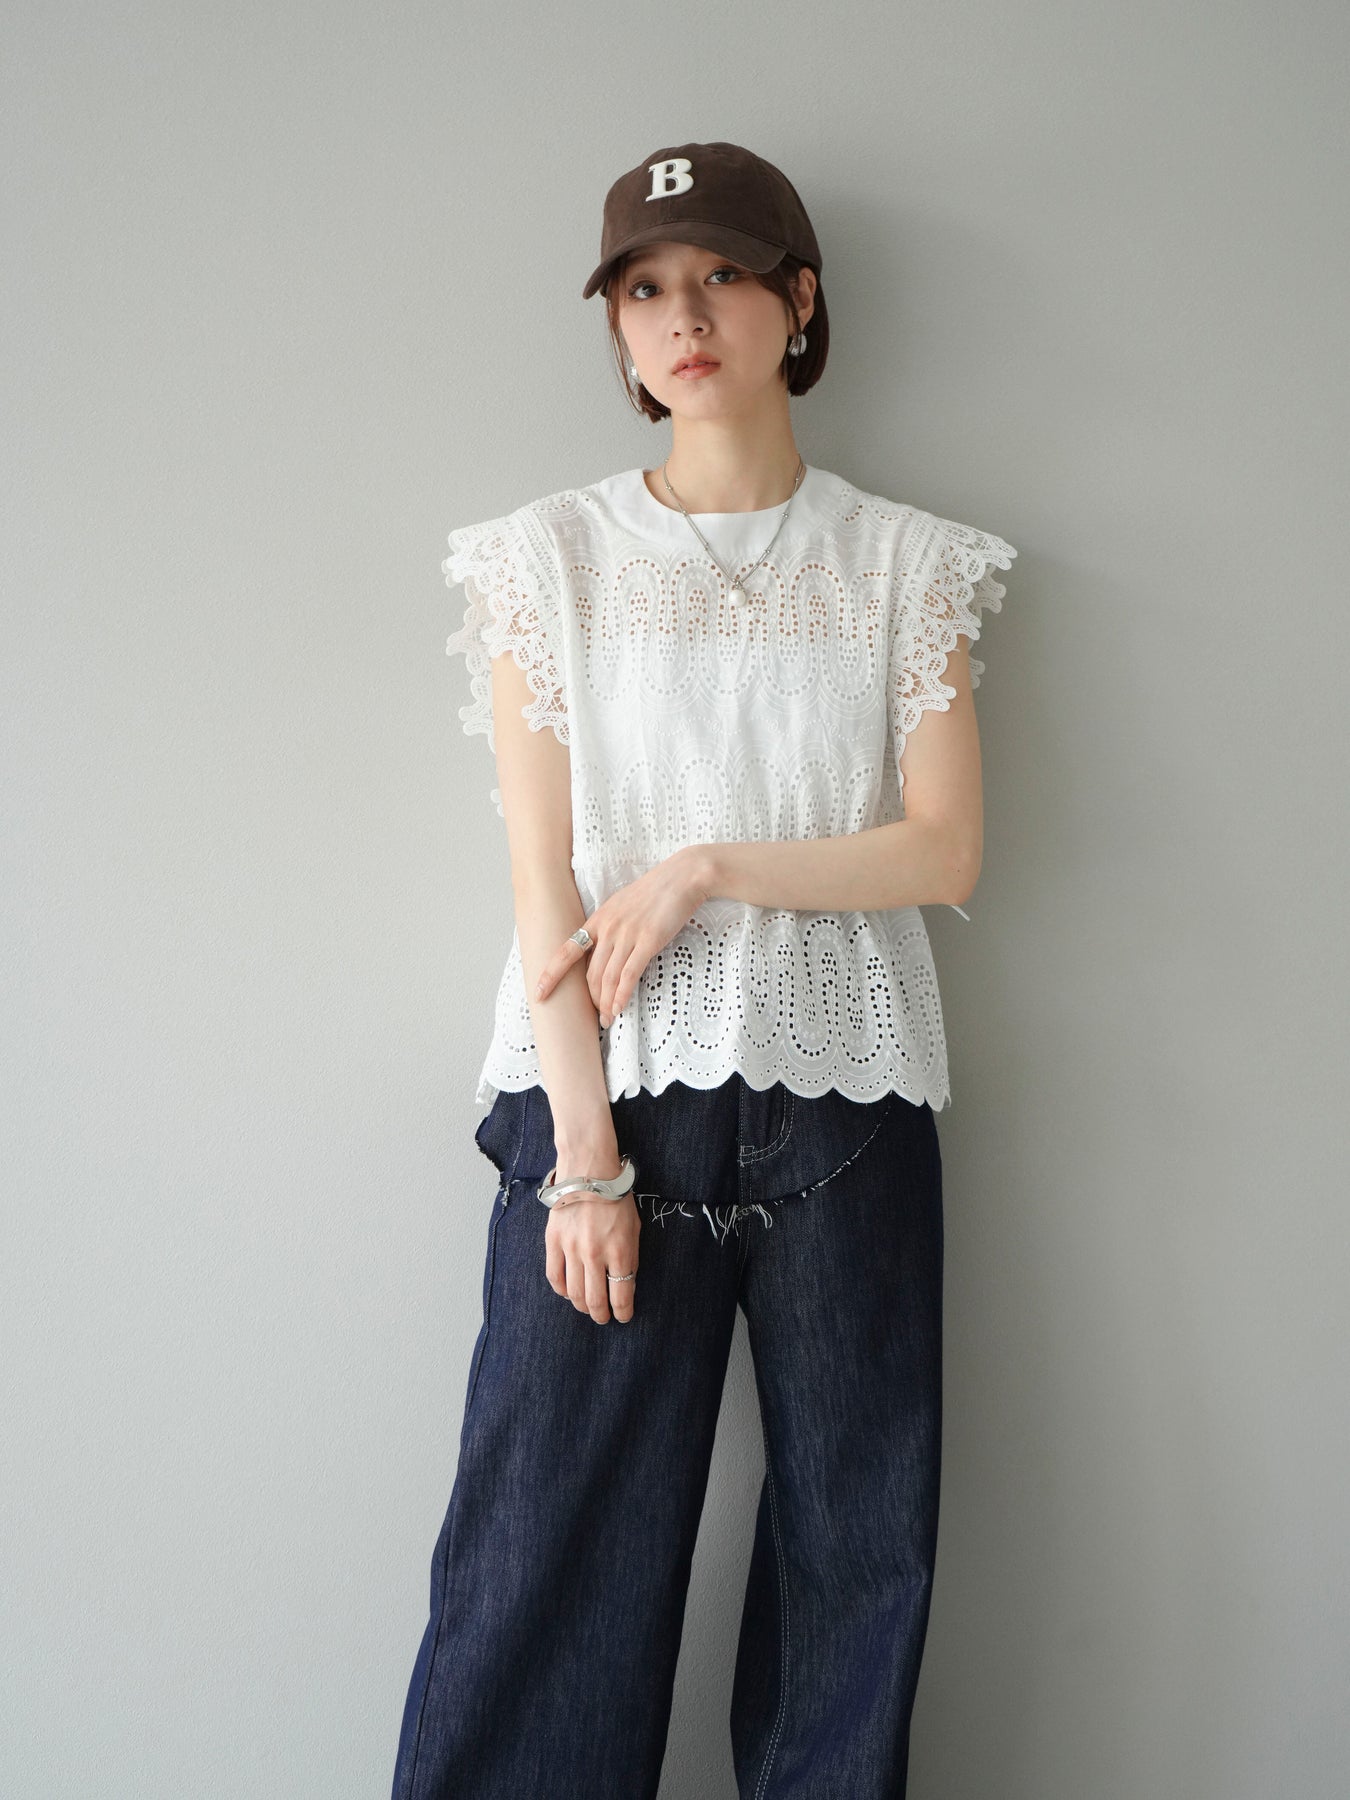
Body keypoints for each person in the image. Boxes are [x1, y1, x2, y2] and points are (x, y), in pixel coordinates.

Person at [390, 140, 1018, 1800]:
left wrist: (711, 867)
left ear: (796, 301)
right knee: (542, 1552)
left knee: (853, 1560)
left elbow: (944, 851)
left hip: (847, 1105)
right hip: (606, 1102)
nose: (685, 316)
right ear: (616, 326)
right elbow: (543, 881)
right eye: (646, 288)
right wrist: (582, 1163)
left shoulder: (907, 563)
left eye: (723, 276)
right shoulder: (544, 559)